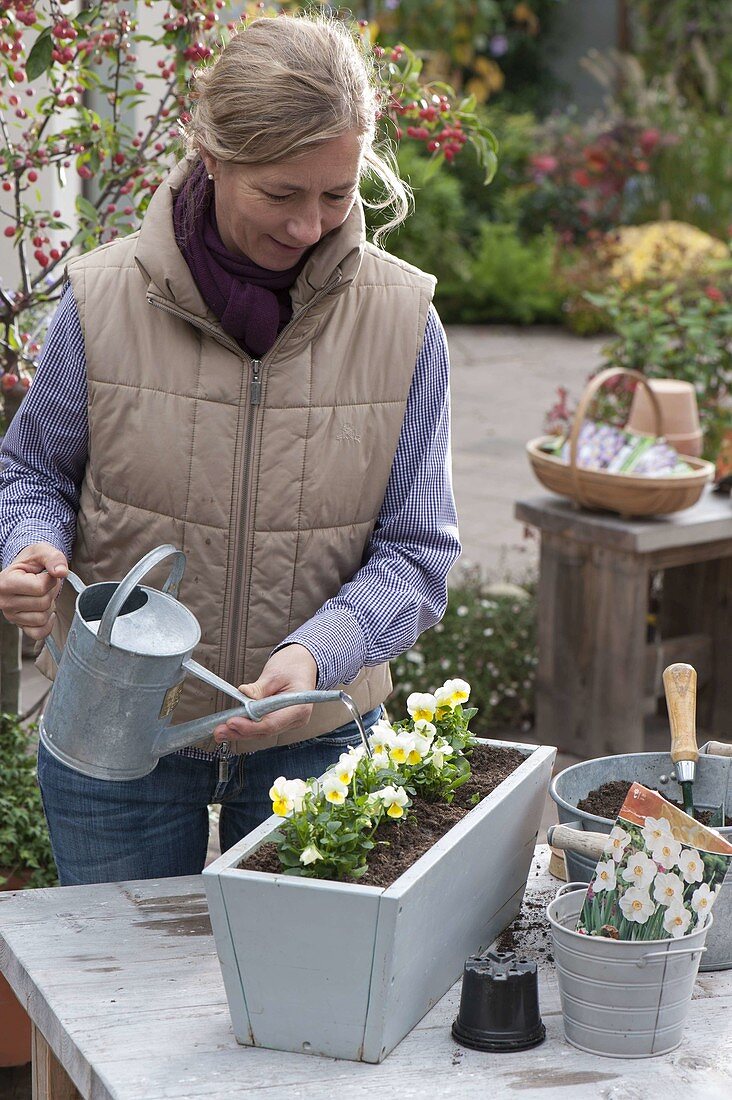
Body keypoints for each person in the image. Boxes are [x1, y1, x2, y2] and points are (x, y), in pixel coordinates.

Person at [0, 14, 460, 886]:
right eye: (281, 195)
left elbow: (418, 554)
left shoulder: (404, 325)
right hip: (114, 727)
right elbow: (31, 470)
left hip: (317, 737)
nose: (311, 226)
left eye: (337, 193)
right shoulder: (101, 301)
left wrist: (317, 656)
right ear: (211, 159)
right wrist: (26, 544)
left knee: (304, 1014)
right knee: (120, 1004)